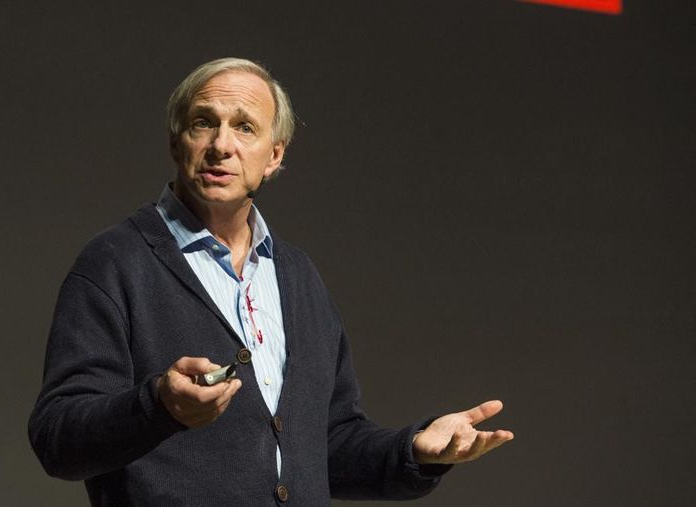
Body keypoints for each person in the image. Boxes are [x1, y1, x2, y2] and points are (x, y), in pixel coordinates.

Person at [28, 57, 513, 505]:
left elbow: (329, 447)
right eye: (203, 122)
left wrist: (416, 449)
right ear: (176, 141)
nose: (222, 145)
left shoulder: (296, 276)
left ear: (275, 155)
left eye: (244, 127)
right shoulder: (114, 263)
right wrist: (157, 405)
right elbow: (57, 440)